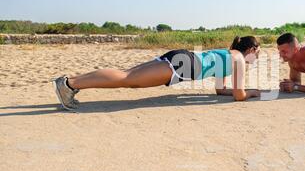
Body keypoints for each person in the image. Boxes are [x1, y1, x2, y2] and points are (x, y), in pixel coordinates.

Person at [53, 36, 261, 110]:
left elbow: (220, 90)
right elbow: (239, 96)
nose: (257, 58)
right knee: (126, 79)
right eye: (257, 54)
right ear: (251, 50)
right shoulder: (239, 59)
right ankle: (69, 84)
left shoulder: (227, 55)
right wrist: (252, 92)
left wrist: (236, 91)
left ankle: (70, 84)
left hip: (182, 58)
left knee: (127, 77)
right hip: (185, 65)